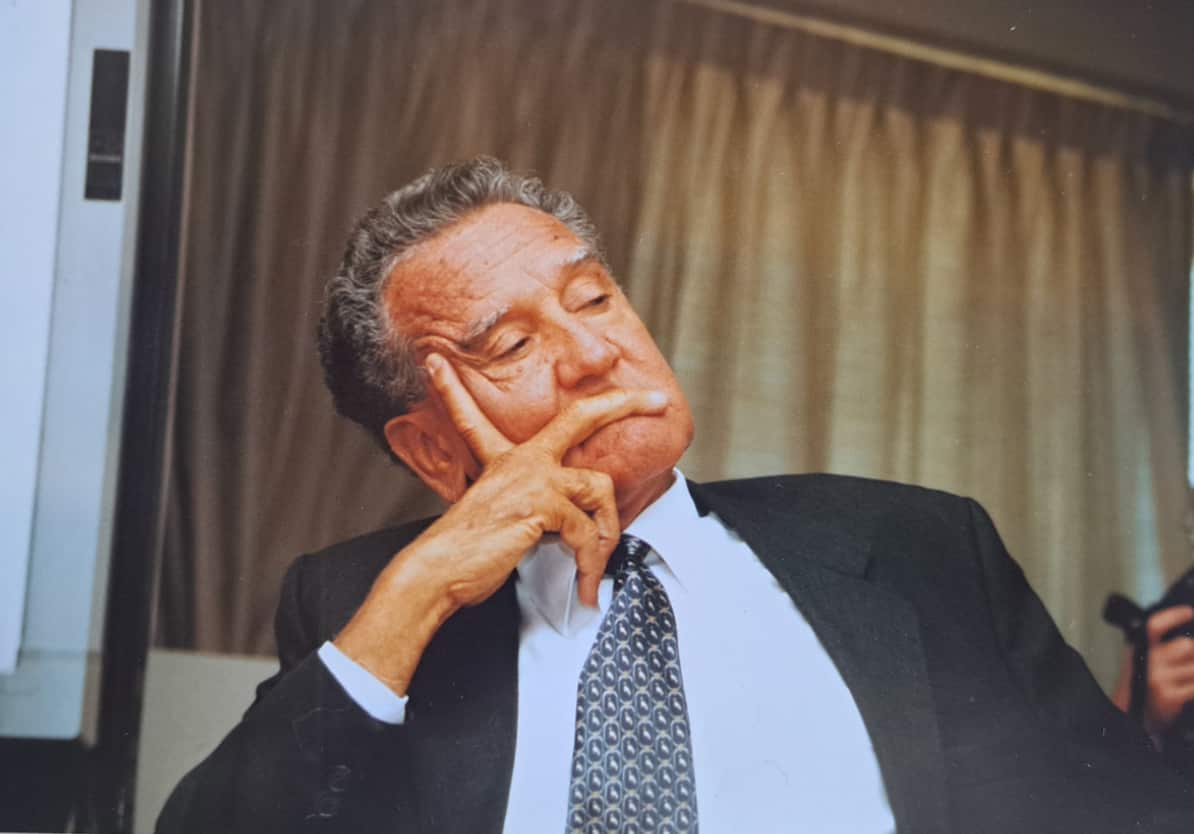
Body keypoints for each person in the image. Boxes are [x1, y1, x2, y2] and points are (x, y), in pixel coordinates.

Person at [157, 156, 1194, 833]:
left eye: (593, 296)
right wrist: (413, 595)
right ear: (430, 447)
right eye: (513, 344)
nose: (592, 352)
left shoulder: (919, 546)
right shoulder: (366, 610)